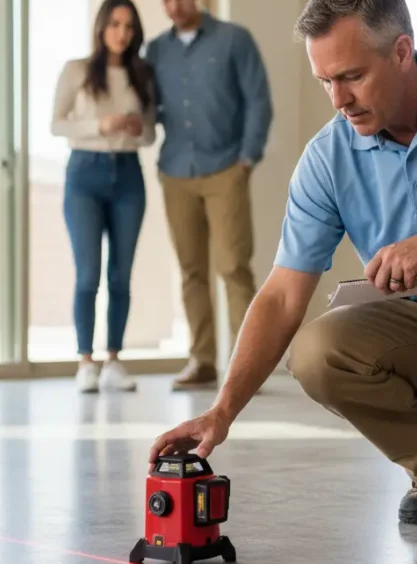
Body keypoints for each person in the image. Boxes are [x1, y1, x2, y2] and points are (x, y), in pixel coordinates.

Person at [148, 0, 417, 564]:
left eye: (353, 76)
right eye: (326, 81)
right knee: (315, 349)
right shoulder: (328, 157)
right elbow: (284, 294)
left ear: (402, 51)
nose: (339, 100)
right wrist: (222, 412)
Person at [143, 0, 273, 391]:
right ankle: (202, 362)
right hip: (177, 170)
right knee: (191, 271)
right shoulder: (156, 51)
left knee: (234, 268)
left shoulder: (234, 39)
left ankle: (246, 367)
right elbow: (151, 107)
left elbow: (258, 100)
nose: (174, 5)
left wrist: (247, 160)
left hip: (226, 169)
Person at [51, 0, 156, 393]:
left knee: (121, 275)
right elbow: (56, 123)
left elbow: (149, 135)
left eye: (129, 26)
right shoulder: (77, 70)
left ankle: (114, 359)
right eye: (115, 23)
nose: (122, 32)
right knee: (88, 274)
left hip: (128, 174)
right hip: (84, 174)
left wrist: (132, 127)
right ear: (101, 27)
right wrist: (102, 123)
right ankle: (86, 361)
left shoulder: (141, 73)